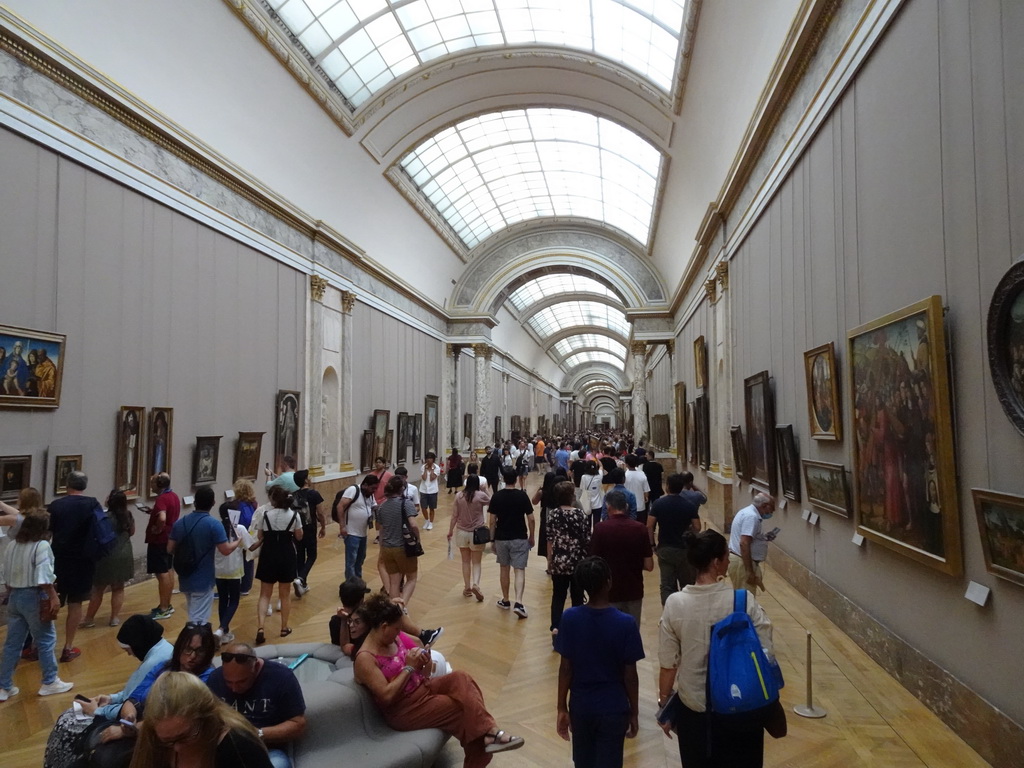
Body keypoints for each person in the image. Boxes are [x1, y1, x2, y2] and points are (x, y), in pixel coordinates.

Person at [353, 593, 525, 767]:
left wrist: (422, 660)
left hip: (423, 687)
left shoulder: (393, 638)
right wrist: (409, 667)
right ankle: (490, 736)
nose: (399, 632)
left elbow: (421, 666)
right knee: (462, 712)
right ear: (383, 627)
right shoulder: (365, 658)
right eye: (397, 628)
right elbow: (386, 696)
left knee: (461, 678)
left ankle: (492, 732)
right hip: (404, 709)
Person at [658, 529, 774, 767]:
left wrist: (664, 706)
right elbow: (767, 654)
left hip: (695, 709)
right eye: (725, 555)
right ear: (716, 562)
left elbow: (668, 665)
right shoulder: (743, 601)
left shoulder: (675, 604)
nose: (728, 559)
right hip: (741, 706)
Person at [44, 615, 173, 768]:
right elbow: (131, 695)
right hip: (126, 715)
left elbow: (135, 707)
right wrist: (110, 699)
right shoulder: (162, 649)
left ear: (138, 644)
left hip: (131, 723)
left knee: (67, 723)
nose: (129, 654)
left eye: (128, 649)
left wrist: (98, 711)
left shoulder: (154, 662)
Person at [555, 556, 644, 768]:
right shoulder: (626, 623)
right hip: (614, 707)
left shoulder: (570, 618)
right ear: (609, 582)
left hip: (581, 706)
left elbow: (565, 669)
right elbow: (630, 675)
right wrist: (634, 711)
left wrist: (561, 707)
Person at [0, 504, 74, 701]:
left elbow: (5, 576)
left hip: (15, 596)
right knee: (45, 639)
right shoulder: (41, 546)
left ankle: (4, 685)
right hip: (34, 596)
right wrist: (53, 596)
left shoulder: (13, 545)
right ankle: (50, 681)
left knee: (12, 644)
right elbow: (44, 577)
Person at [130, 671, 272, 768]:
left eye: (185, 736)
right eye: (168, 741)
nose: (177, 748)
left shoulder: (239, 744)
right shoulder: (153, 737)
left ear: (206, 717)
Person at [208, 643, 306, 768]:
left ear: (256, 666)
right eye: (228, 682)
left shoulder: (281, 677)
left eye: (241, 681)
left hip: (268, 748)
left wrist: (257, 733)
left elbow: (298, 724)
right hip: (227, 747)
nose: (234, 688)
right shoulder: (215, 678)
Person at [48, 470, 101, 662]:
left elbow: (47, 534)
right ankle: (68, 647)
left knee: (52, 602)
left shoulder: (56, 505)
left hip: (59, 559)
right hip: (83, 560)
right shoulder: (92, 504)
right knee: (76, 603)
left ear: (67, 484)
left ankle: (43, 646)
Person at [169, 485, 240, 625]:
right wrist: (238, 542)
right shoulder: (214, 525)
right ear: (213, 503)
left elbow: (170, 548)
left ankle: (193, 641)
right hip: (203, 577)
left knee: (192, 611)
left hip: (185, 575)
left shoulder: (180, 523)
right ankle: (195, 644)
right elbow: (225, 550)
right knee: (198, 620)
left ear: (195, 502)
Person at [589, 491, 653, 624]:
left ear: (609, 507)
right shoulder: (640, 529)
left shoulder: (600, 529)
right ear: (626, 507)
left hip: (608, 593)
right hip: (634, 590)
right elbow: (649, 565)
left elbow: (593, 562)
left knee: (610, 635)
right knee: (632, 633)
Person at [251, 486, 303, 644]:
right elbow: (299, 537)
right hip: (286, 554)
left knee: (264, 594)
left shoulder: (265, 514)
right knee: (284, 594)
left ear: (273, 500)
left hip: (268, 554)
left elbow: (260, 535)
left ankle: (260, 627)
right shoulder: (294, 515)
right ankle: (284, 627)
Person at [647, 473, 704, 604]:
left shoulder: (658, 504)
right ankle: (685, 612)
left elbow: (649, 526)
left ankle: (669, 613)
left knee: (667, 585)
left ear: (667, 487)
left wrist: (652, 544)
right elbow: (697, 527)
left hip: (665, 548)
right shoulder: (688, 505)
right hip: (684, 549)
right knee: (686, 585)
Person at [546, 481, 591, 645]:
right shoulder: (580, 515)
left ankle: (556, 628)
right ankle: (577, 629)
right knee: (577, 597)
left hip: (559, 561)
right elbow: (587, 539)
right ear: (571, 496)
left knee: (558, 596)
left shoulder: (553, 514)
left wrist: (550, 561)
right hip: (577, 561)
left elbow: (549, 540)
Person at [82, 489, 135, 628]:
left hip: (105, 555)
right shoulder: (128, 516)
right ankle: (114, 618)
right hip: (124, 554)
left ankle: (89, 618)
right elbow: (132, 532)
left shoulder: (103, 517)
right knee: (118, 588)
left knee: (98, 589)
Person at [488, 467, 535, 618]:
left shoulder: (497, 496)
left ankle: (506, 600)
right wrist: (532, 536)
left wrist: (492, 539)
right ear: (516, 479)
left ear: (503, 478)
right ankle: (519, 602)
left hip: (501, 537)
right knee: (519, 569)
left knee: (504, 568)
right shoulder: (522, 496)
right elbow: (531, 518)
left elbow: (492, 521)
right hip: (520, 537)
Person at [376, 475, 421, 604]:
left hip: (387, 548)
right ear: (402, 489)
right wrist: (417, 540)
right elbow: (413, 525)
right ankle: (401, 606)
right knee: (411, 578)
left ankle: (394, 608)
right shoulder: (406, 503)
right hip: (403, 547)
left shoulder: (382, 506)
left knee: (394, 581)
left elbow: (379, 528)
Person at [215, 498, 254, 643]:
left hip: (218, 570)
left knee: (223, 600)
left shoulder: (216, 528)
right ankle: (221, 628)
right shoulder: (240, 529)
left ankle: (223, 632)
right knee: (234, 600)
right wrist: (261, 539)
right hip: (234, 570)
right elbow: (251, 547)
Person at [448, 475, 491, 602]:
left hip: (461, 532)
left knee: (465, 561)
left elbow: (454, 516)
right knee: (476, 562)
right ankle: (476, 584)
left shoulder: (459, 496)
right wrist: (486, 490)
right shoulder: (480, 495)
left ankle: (467, 588)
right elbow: (493, 503)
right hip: (476, 533)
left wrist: (450, 531)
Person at [146, 472, 181, 621]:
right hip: (170, 538)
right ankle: (168, 604)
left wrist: (158, 528)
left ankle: (163, 608)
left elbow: (162, 518)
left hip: (160, 540)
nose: (151, 485)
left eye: (152, 482)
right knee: (168, 569)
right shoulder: (173, 496)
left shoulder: (161, 498)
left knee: (162, 573)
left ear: (159, 485)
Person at [727, 493, 777, 594]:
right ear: (764, 506)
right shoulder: (751, 517)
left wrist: (764, 538)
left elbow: (750, 538)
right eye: (771, 508)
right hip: (742, 563)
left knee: (744, 596)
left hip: (741, 561)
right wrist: (749, 571)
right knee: (745, 598)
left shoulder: (747, 512)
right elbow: (744, 543)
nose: (772, 511)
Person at [335, 474, 379, 580]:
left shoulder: (370, 494)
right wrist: (342, 527)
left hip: (363, 533)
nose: (374, 491)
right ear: (365, 485)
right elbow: (340, 506)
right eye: (372, 488)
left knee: (360, 558)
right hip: (351, 533)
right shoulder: (353, 490)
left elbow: (374, 506)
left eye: (375, 489)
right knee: (351, 560)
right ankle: (351, 586)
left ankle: (358, 582)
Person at [291, 469, 325, 598]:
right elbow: (320, 513)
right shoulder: (314, 494)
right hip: (310, 528)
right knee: (312, 555)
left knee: (300, 555)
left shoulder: (293, 495)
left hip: (297, 529)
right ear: (305, 480)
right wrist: (323, 527)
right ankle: (301, 578)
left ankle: (302, 585)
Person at [233, 478, 259, 595]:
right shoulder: (253, 504)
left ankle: (238, 584)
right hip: (251, 535)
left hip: (239, 535)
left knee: (239, 561)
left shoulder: (236, 505)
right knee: (248, 561)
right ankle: (246, 586)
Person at [622, 455, 651, 523]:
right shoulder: (642, 474)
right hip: (640, 506)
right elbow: (646, 492)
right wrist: (645, 498)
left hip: (628, 507)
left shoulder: (624, 476)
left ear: (627, 464)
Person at [419, 452, 441, 530]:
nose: (429, 460)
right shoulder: (423, 467)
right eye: (427, 458)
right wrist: (426, 469)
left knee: (432, 507)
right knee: (423, 507)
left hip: (433, 490)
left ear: (433, 459)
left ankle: (431, 522)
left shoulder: (437, 468)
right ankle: (426, 520)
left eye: (430, 458)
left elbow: (432, 478)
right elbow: (424, 478)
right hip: (423, 489)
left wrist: (432, 469)